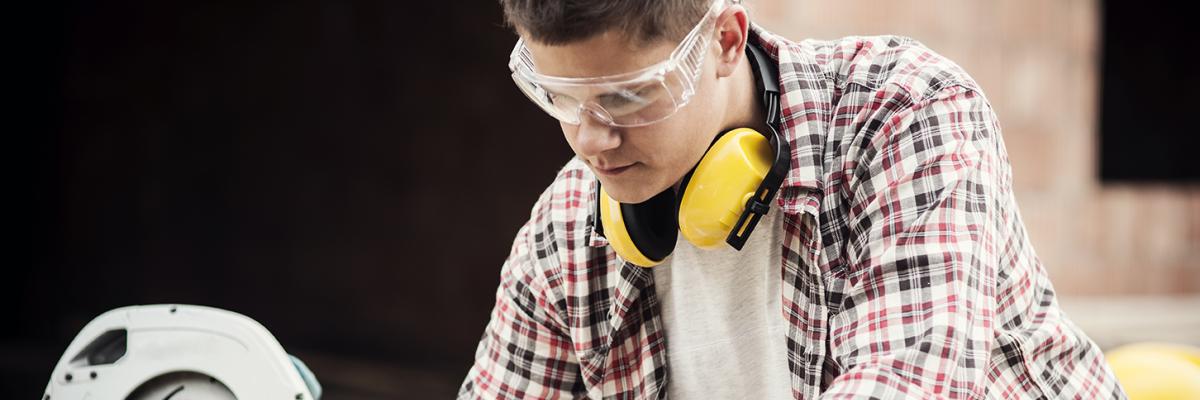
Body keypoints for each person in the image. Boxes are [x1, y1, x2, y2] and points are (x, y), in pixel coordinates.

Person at [459, 0, 1126, 398]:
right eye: (562, 99)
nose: (591, 140)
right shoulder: (566, 233)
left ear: (724, 41)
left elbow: (914, 383)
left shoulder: (902, 116)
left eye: (629, 96)